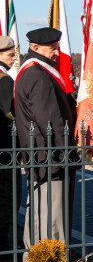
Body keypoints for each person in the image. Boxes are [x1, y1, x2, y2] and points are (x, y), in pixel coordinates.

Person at [14, 28, 76, 255]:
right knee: (51, 214)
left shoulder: (31, 71)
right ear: (35, 47)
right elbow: (50, 120)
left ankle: (37, 254)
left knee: (40, 210)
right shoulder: (38, 75)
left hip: (40, 154)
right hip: (49, 155)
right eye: (53, 49)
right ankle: (52, 256)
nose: (57, 53)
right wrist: (65, 153)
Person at [0, 36, 21, 251]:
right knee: (8, 199)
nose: (14, 58)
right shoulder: (5, 80)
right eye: (10, 54)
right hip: (5, 148)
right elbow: (11, 114)